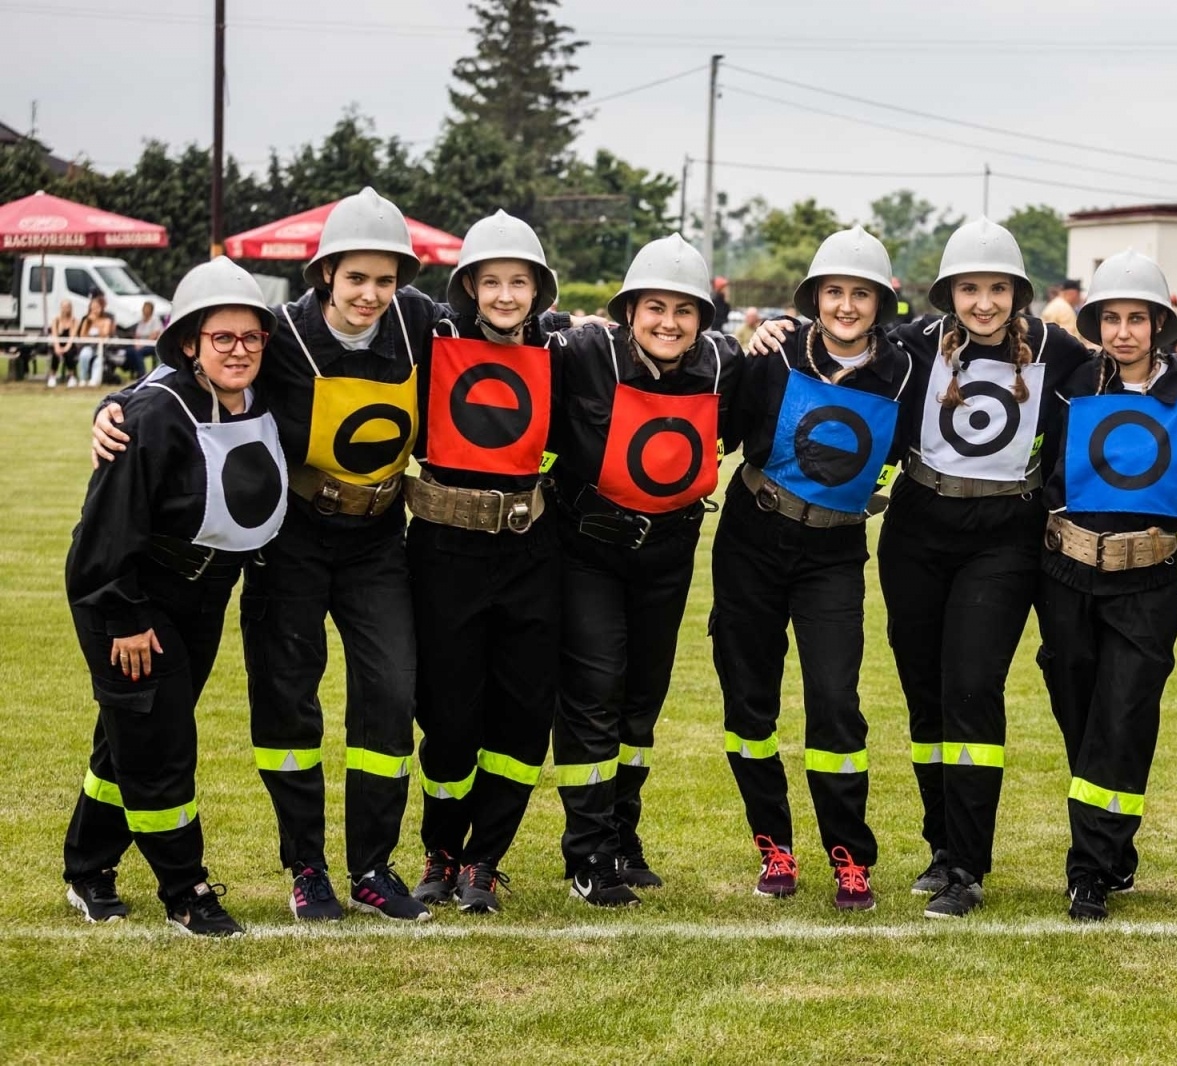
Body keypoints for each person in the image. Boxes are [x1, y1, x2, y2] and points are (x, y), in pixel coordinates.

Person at [93, 188, 438, 922]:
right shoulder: (278, 332)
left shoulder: (418, 323)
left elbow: (514, 328)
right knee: (287, 701)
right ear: (326, 275)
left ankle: (373, 866)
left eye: (385, 279)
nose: (371, 294)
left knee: (391, 695)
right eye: (356, 278)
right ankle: (306, 867)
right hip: (294, 542)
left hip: (379, 541)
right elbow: (193, 365)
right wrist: (113, 403)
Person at [756, 219, 1095, 918]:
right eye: (969, 289)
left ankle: (969, 863)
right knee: (926, 696)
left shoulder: (1058, 349)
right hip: (917, 527)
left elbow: (1125, 368)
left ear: (1017, 294)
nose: (983, 304)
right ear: (948, 293)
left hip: (1005, 535)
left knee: (973, 686)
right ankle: (941, 846)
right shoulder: (912, 346)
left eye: (997, 289)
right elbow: (838, 342)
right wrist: (773, 332)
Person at [63, 257, 288, 937]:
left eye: (251, 337)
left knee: (129, 740)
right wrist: (125, 617)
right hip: (132, 599)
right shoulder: (149, 415)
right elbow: (106, 535)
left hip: (205, 596)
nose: (239, 350)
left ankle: (87, 867)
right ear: (190, 341)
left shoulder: (263, 395)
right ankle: (185, 889)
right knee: (163, 747)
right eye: (222, 338)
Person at [714, 226, 912, 911]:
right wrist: (749, 339)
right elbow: (722, 426)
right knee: (749, 702)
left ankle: (850, 856)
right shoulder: (774, 354)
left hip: (834, 552)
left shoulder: (905, 369)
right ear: (814, 298)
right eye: (835, 292)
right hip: (752, 538)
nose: (847, 307)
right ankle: (773, 845)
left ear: (881, 303)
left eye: (861, 294)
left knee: (835, 702)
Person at [547, 234, 744, 907]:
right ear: (628, 310)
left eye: (683, 310)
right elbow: (510, 339)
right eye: (653, 307)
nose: (668, 322)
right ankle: (588, 853)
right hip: (587, 551)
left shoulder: (723, 363)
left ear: (702, 320)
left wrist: (781, 329)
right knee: (594, 690)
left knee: (642, 702)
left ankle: (623, 839)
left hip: (667, 556)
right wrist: (555, 319)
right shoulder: (583, 352)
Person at [1034, 249, 1177, 922]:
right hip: (1067, 575)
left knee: (1122, 718)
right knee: (1080, 714)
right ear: (1096, 323)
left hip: (1149, 581)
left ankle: (1089, 872)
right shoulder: (1069, 384)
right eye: (1112, 318)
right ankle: (1113, 847)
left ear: (1160, 324)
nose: (1125, 332)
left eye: (1139, 318)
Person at [405, 210, 564, 914]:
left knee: (525, 715)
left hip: (532, 553)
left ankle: (484, 860)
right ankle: (440, 850)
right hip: (444, 551)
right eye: (490, 282)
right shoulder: (432, 340)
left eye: (518, 282)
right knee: (448, 716)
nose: (504, 296)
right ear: (468, 287)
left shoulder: (566, 351)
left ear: (538, 290)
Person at [75, 293, 114, 387]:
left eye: (97, 307)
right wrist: (89, 322)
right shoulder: (86, 321)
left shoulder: (107, 321)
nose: (94, 310)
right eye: (92, 307)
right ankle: (83, 379)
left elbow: (105, 334)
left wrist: (96, 324)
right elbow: (82, 336)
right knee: (85, 355)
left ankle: (94, 381)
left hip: (102, 348)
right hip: (89, 346)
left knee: (98, 360)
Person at [127, 301, 162, 381]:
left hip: (153, 345)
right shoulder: (141, 321)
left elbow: (154, 335)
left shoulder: (155, 320)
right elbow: (137, 335)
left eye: (146, 308)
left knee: (138, 352)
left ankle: (142, 374)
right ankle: (134, 372)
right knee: (129, 351)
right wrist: (136, 343)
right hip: (141, 344)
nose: (144, 310)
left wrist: (141, 345)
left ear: (151, 310)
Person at [48, 299, 77, 388]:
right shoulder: (56, 320)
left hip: (70, 345)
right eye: (63, 307)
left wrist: (66, 348)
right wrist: (57, 347)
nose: (65, 309)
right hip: (58, 344)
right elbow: (54, 335)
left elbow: (72, 336)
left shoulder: (74, 320)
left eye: (67, 307)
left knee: (69, 354)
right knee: (55, 354)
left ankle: (72, 376)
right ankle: (52, 376)